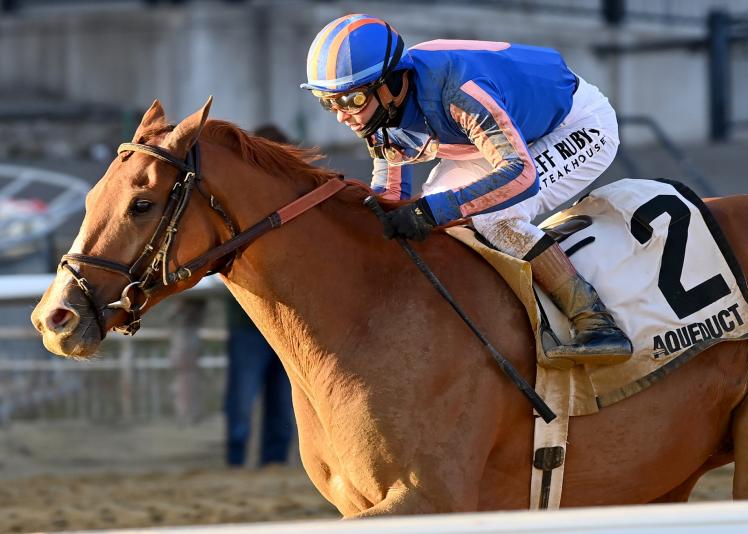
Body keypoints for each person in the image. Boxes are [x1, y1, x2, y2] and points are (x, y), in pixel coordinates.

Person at [300, 14, 633, 365]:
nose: (341, 116)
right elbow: (392, 197)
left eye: (350, 101)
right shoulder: (380, 111)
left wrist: (432, 212)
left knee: (494, 215)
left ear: (390, 83)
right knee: (429, 213)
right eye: (328, 102)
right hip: (498, 137)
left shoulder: (459, 91)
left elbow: (520, 174)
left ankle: (595, 321)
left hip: (575, 124)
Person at [223, 125, 296, 466]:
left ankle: (257, 460)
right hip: (256, 322)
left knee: (270, 398)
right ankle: (252, 460)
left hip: (268, 323)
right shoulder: (241, 204)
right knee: (255, 397)